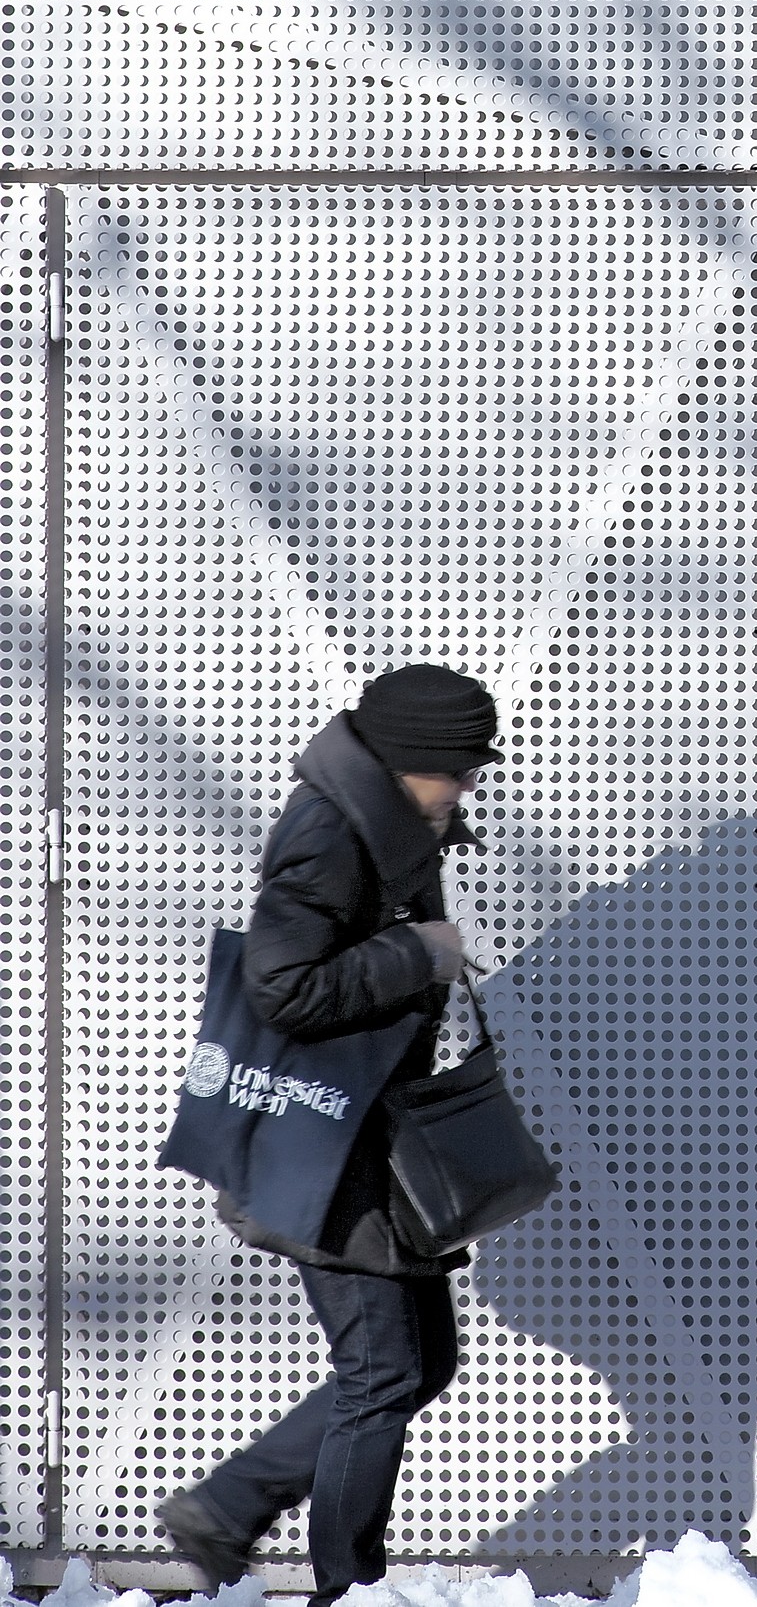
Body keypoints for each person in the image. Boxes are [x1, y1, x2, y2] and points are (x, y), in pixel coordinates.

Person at [156, 664, 501, 1603]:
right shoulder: (329, 835)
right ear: (404, 763)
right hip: (328, 1148)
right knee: (382, 1375)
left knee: (422, 1364)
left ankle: (229, 1506)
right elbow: (282, 988)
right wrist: (415, 952)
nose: (468, 786)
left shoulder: (384, 826)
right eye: (457, 770)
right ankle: (350, 1588)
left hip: (369, 1145)